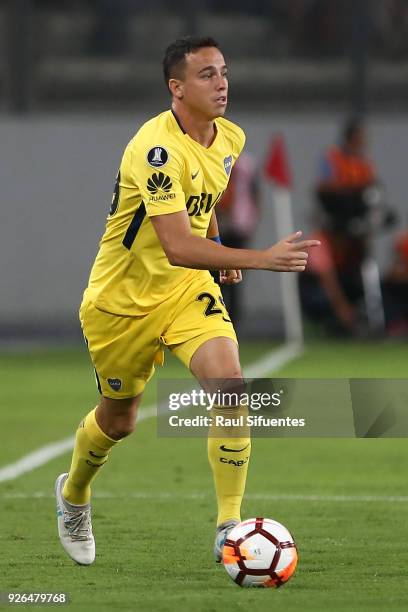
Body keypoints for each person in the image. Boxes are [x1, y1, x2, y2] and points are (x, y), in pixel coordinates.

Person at [55, 36, 319, 566]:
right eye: (206, 75)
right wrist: (258, 258)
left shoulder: (230, 137)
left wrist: (218, 248)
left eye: (223, 71)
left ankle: (229, 526)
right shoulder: (154, 151)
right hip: (120, 303)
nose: (221, 83)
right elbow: (175, 245)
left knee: (231, 390)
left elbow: (204, 201)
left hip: (184, 291)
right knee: (120, 420)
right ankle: (74, 495)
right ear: (177, 88)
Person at [300, 117, 385, 335]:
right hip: (339, 211)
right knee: (326, 290)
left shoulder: (365, 164)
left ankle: (367, 317)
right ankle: (335, 319)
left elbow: (373, 192)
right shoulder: (333, 158)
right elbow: (325, 189)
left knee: (357, 277)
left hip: (354, 216)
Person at [216, 151, 260, 324]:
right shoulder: (209, 157)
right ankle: (215, 320)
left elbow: (254, 193)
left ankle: (233, 323)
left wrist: (252, 220)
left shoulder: (246, 164)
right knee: (214, 277)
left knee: (235, 278)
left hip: (238, 226)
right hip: (216, 225)